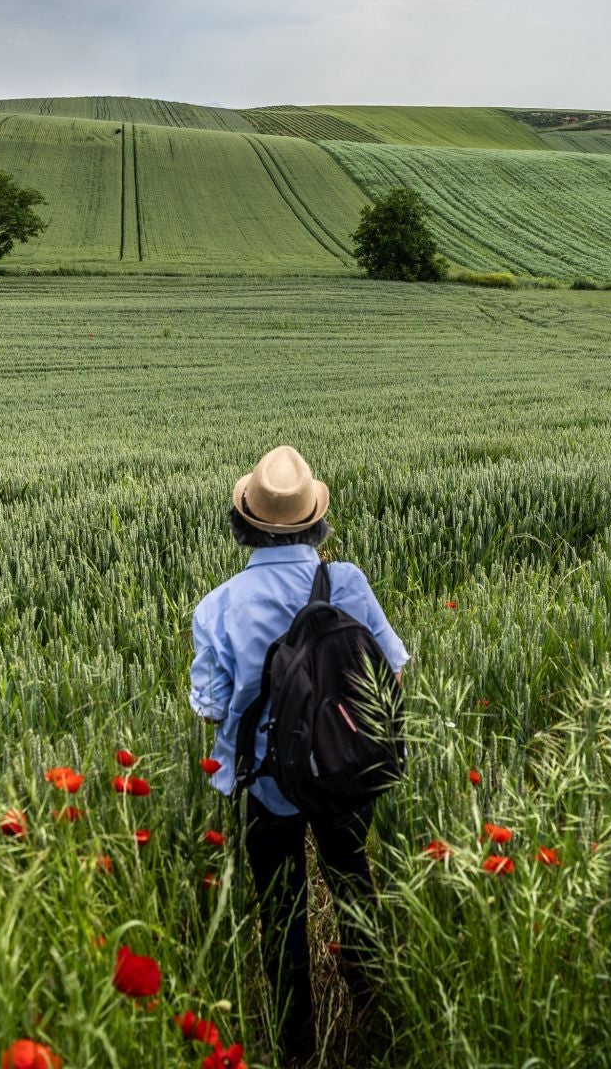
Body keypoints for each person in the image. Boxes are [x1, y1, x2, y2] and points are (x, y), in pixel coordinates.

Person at [188, 445, 408, 1064]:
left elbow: (209, 705)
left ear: (246, 522)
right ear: (315, 518)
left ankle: (297, 1043)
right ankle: (373, 1007)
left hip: (268, 784)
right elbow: (390, 669)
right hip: (345, 770)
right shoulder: (348, 582)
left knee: (281, 913)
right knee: (353, 880)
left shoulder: (220, 605)